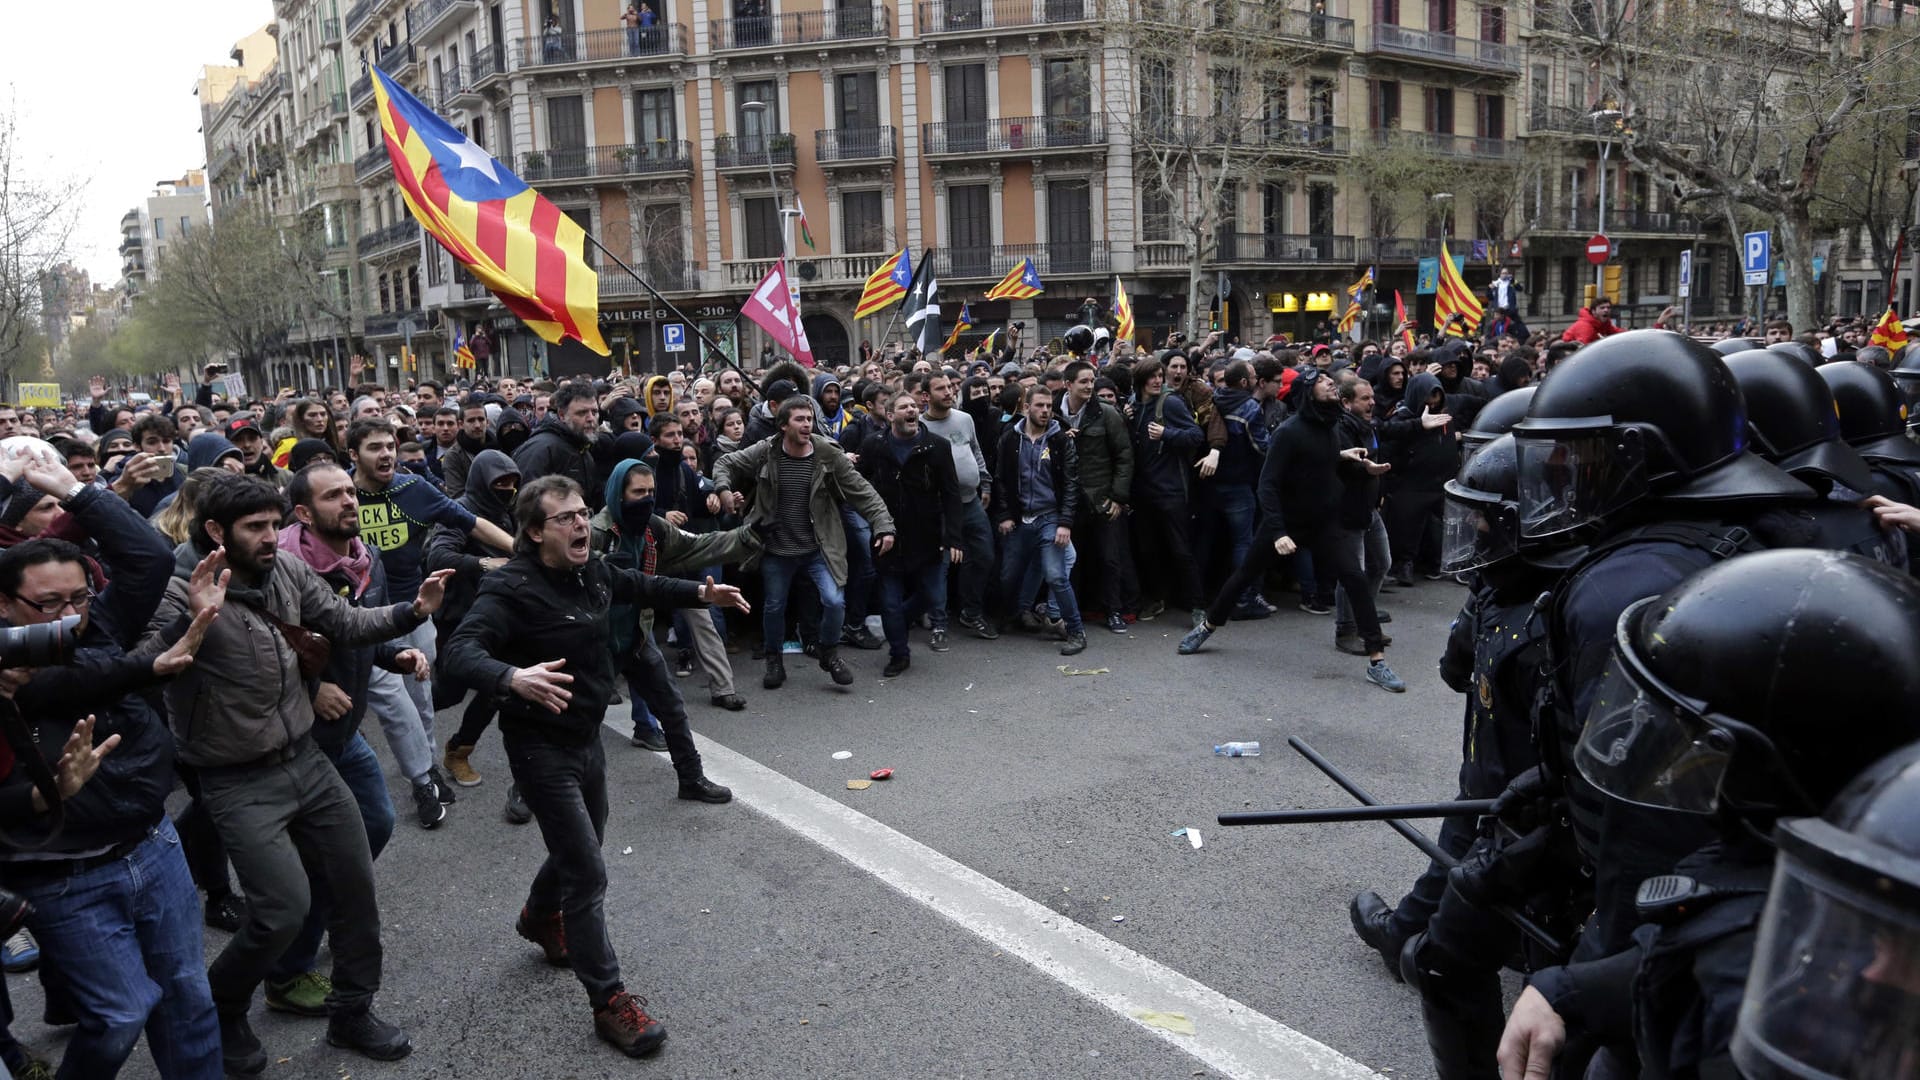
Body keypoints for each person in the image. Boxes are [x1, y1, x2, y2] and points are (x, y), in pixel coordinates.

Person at [1498, 550, 1920, 1080]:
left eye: (1692, 743)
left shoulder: (1763, 990)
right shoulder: (1791, 878)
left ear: (1771, 769)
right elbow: (1696, 947)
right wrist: (1569, 990)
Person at [142, 472, 455, 1074]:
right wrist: (194, 626)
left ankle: (352, 1012)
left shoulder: (284, 570)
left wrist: (410, 611)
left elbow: (344, 624)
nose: (269, 538)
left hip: (307, 760)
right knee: (283, 908)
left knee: (355, 888)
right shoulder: (182, 590)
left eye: (272, 524)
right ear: (215, 531)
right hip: (236, 779)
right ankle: (225, 1004)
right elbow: (147, 664)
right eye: (253, 528)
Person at [442, 475, 748, 1059]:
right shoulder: (512, 587)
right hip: (538, 747)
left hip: (585, 741)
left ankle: (538, 916)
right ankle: (610, 1003)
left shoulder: (593, 571)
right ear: (534, 532)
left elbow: (641, 583)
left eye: (584, 513)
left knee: (581, 850)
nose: (583, 524)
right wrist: (512, 677)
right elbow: (460, 650)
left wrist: (701, 595)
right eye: (567, 518)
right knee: (587, 873)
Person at [0, 457, 221, 1080]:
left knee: (188, 998)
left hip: (151, 843)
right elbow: (73, 683)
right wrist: (147, 667)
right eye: (48, 604)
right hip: (62, 873)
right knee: (121, 1014)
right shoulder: (8, 670)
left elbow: (149, 558)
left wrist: (75, 490)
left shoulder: (99, 627)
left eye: (79, 598)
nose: (69, 616)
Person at [265, 461, 424, 1019]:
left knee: (375, 824)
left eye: (351, 493)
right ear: (304, 513)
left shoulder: (364, 556)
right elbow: (260, 653)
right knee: (323, 854)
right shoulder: (280, 569)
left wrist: (392, 654)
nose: (350, 503)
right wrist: (311, 691)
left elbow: (352, 629)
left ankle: (328, 916)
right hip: (299, 736)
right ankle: (286, 973)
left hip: (344, 732)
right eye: (334, 497)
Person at [1178, 366, 1404, 693]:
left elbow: (1317, 460)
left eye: (1330, 381)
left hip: (1325, 524)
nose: (1331, 383)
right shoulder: (1288, 431)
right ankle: (1208, 626)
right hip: (1284, 525)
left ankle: (1377, 660)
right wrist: (1280, 532)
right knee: (1243, 575)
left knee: (1355, 578)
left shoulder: (1328, 426)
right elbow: (1267, 486)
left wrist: (1350, 458)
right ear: (1307, 392)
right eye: (1324, 382)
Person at [349, 418, 514, 826]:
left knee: (421, 700)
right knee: (392, 702)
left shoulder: (413, 489)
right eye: (374, 447)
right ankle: (421, 779)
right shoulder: (339, 495)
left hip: (415, 610)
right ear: (353, 455)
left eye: (390, 445)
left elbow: (472, 523)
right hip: (356, 619)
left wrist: (523, 551)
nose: (385, 453)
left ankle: (425, 767)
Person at [712, 396, 896, 690]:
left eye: (810, 418)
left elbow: (863, 491)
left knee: (835, 602)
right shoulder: (767, 451)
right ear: (784, 425)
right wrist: (722, 490)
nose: (807, 424)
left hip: (818, 548)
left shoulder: (827, 454)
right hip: (775, 548)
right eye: (799, 419)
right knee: (774, 607)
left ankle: (829, 652)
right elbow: (725, 462)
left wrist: (883, 525)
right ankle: (774, 659)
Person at [593, 459, 755, 789]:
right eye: (638, 492)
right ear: (617, 493)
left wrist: (747, 537)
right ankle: (525, 790)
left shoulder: (653, 527)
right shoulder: (595, 534)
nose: (647, 499)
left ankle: (691, 779)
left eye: (651, 492)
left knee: (671, 707)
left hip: (637, 632)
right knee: (568, 723)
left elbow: (695, 545)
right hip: (595, 641)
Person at [424, 450, 519, 795]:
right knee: (448, 693)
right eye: (499, 482)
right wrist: (482, 564)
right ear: (482, 480)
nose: (507, 488)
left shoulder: (509, 512)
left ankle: (458, 751)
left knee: (498, 688)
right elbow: (438, 555)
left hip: (499, 616)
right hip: (458, 618)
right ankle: (409, 725)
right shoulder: (458, 510)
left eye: (512, 482)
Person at [857, 390, 964, 674]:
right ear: (890, 415)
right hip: (887, 536)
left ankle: (897, 622)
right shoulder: (874, 445)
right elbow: (859, 485)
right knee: (889, 601)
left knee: (932, 596)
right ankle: (899, 653)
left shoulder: (937, 446)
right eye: (904, 407)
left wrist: (952, 536)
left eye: (914, 406)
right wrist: (871, 521)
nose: (912, 410)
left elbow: (951, 494)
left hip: (927, 536)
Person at [991, 385, 1086, 655]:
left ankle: (1076, 631)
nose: (1045, 411)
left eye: (1048, 406)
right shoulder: (1010, 439)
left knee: (1056, 576)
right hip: (1020, 519)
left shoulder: (1060, 440)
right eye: (1040, 406)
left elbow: (1071, 483)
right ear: (1026, 408)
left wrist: (1065, 522)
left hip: (1049, 517)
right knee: (1008, 575)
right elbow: (1001, 480)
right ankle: (1011, 616)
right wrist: (1006, 515)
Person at [920, 371, 998, 638]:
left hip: (971, 502)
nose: (948, 392)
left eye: (949, 388)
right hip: (939, 509)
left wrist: (984, 482)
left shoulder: (964, 419)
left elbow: (975, 450)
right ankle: (939, 622)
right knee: (939, 565)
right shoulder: (920, 428)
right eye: (940, 389)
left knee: (984, 556)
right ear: (925, 396)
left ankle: (971, 612)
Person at [1058, 361, 1134, 633]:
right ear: (1068, 384)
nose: (1090, 386)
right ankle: (1070, 613)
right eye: (1083, 381)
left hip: (1103, 499)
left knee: (1110, 558)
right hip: (1069, 501)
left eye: (1092, 381)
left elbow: (1124, 456)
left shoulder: (1107, 414)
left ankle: (1113, 611)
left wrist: (1118, 497)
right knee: (1070, 561)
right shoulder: (1053, 413)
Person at [514, 381, 604, 507]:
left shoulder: (582, 447)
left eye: (594, 412)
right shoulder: (541, 449)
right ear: (562, 415)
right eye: (582, 413)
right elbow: (525, 504)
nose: (591, 419)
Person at [1559, 296, 1625, 344]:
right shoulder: (1585, 327)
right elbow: (1583, 349)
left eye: (1608, 307)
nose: (1606, 310)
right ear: (1593, 311)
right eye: (1602, 308)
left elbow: (1615, 332)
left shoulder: (1605, 323)